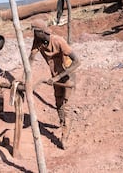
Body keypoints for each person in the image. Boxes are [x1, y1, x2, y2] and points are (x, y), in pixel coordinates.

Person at [28, 19, 80, 149]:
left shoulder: (58, 41)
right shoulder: (38, 42)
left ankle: (64, 137)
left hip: (67, 77)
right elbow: (30, 59)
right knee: (58, 103)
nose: (33, 34)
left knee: (66, 106)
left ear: (40, 32)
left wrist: (59, 77)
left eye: (35, 31)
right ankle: (64, 124)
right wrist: (26, 78)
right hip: (55, 77)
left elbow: (77, 61)